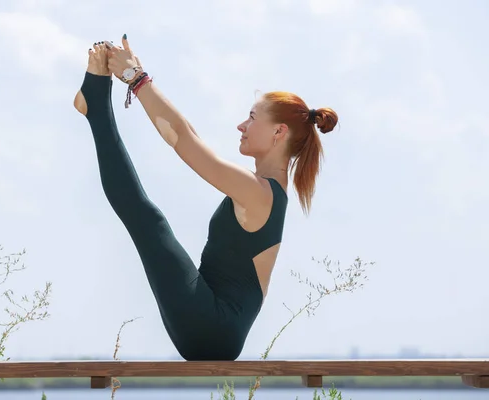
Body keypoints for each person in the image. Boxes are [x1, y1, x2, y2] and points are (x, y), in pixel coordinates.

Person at [73, 36, 338, 361]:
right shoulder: (267, 191)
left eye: (253, 118)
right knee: (144, 217)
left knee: (146, 218)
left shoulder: (259, 193)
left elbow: (182, 139)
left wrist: (138, 79)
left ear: (278, 132)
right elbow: (190, 136)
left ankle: (96, 106)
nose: (241, 125)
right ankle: (96, 104)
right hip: (214, 329)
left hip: (212, 326)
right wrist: (135, 76)